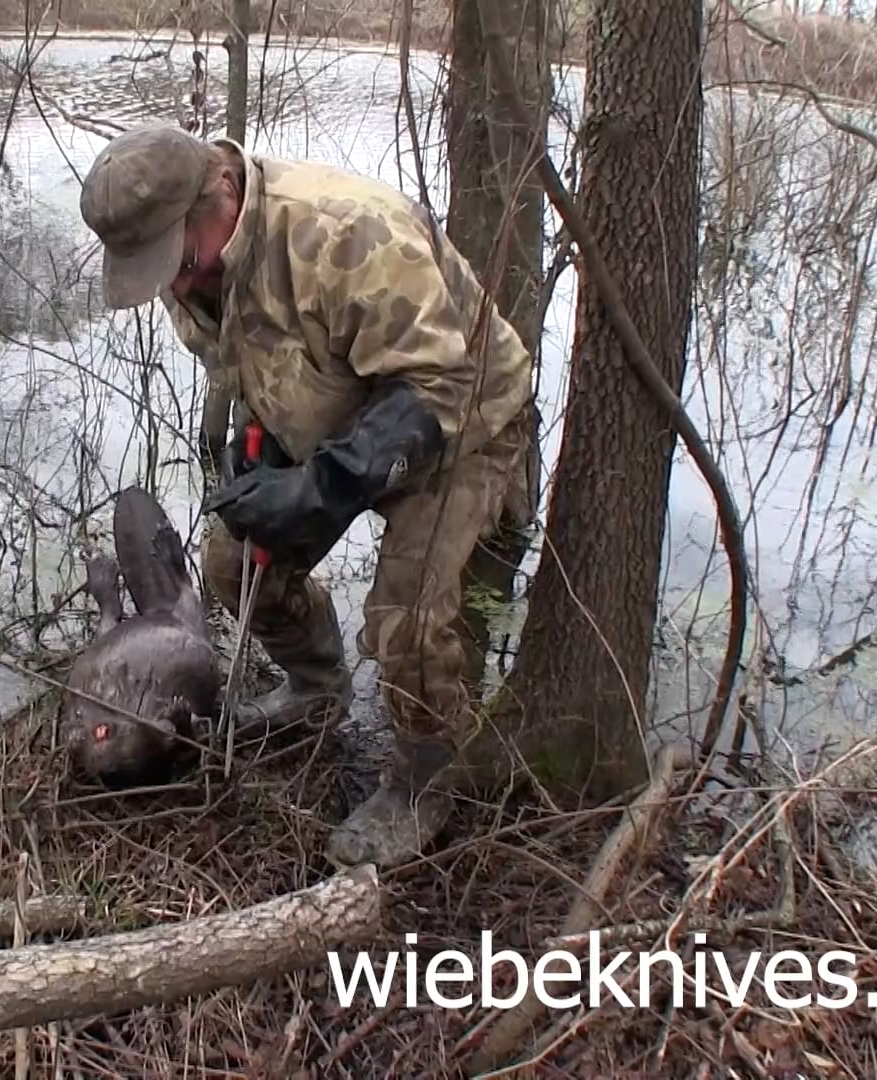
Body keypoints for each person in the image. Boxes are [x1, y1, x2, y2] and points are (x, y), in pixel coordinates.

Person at [77, 122, 537, 867]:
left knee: (405, 618)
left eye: (180, 263)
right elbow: (250, 365)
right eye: (160, 271)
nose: (177, 285)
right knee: (233, 560)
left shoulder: (346, 235)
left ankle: (425, 780)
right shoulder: (195, 266)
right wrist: (252, 458)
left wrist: (326, 485)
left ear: (220, 193)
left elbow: (440, 382)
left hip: (461, 423)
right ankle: (319, 687)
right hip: (337, 407)